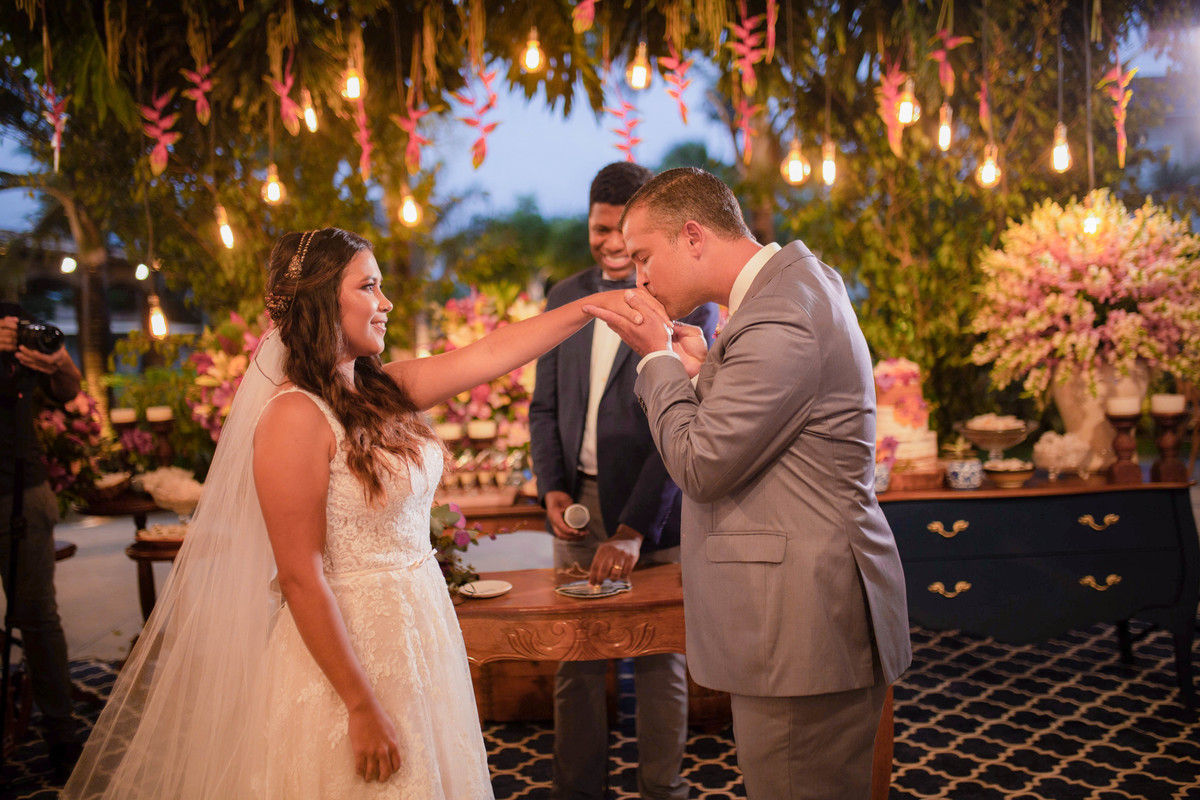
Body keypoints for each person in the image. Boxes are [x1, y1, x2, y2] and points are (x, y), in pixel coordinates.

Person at [63, 228, 631, 798]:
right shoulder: (293, 417)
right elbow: (300, 575)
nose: (385, 303)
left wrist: (589, 308)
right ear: (320, 302)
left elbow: (490, 353)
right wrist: (359, 705)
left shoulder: (384, 389)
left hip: (419, 624)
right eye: (369, 286)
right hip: (349, 653)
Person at [584, 167, 913, 800]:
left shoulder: (779, 315)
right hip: (799, 614)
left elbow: (702, 465)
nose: (639, 278)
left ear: (693, 235)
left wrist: (656, 360)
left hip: (801, 622)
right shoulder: (793, 289)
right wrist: (705, 369)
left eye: (646, 257)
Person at [529, 162, 718, 800]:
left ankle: (663, 790)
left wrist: (637, 528)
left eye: (622, 232)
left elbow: (689, 428)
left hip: (655, 511)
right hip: (576, 505)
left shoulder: (681, 298)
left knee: (661, 659)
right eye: (598, 229)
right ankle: (576, 790)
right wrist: (552, 487)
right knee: (572, 656)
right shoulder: (564, 297)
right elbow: (544, 407)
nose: (610, 244)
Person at [0, 305, 84, 780]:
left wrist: (59, 363)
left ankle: (61, 733)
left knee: (36, 613)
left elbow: (68, 391)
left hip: (21, 489)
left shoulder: (16, 320)